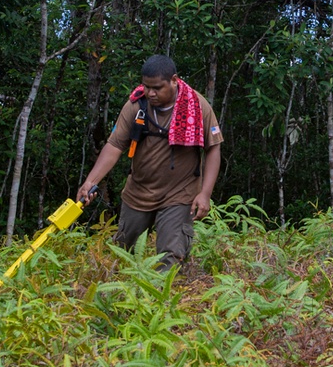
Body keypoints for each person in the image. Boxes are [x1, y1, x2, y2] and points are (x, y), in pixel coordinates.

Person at [77, 55, 223, 269]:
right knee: (122, 254)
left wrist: (205, 194)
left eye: (157, 88)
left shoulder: (197, 105)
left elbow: (213, 148)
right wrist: (90, 181)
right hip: (139, 192)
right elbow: (115, 145)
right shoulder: (136, 105)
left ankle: (165, 301)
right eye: (146, 87)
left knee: (171, 259)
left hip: (179, 194)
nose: (150, 93)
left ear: (174, 80)